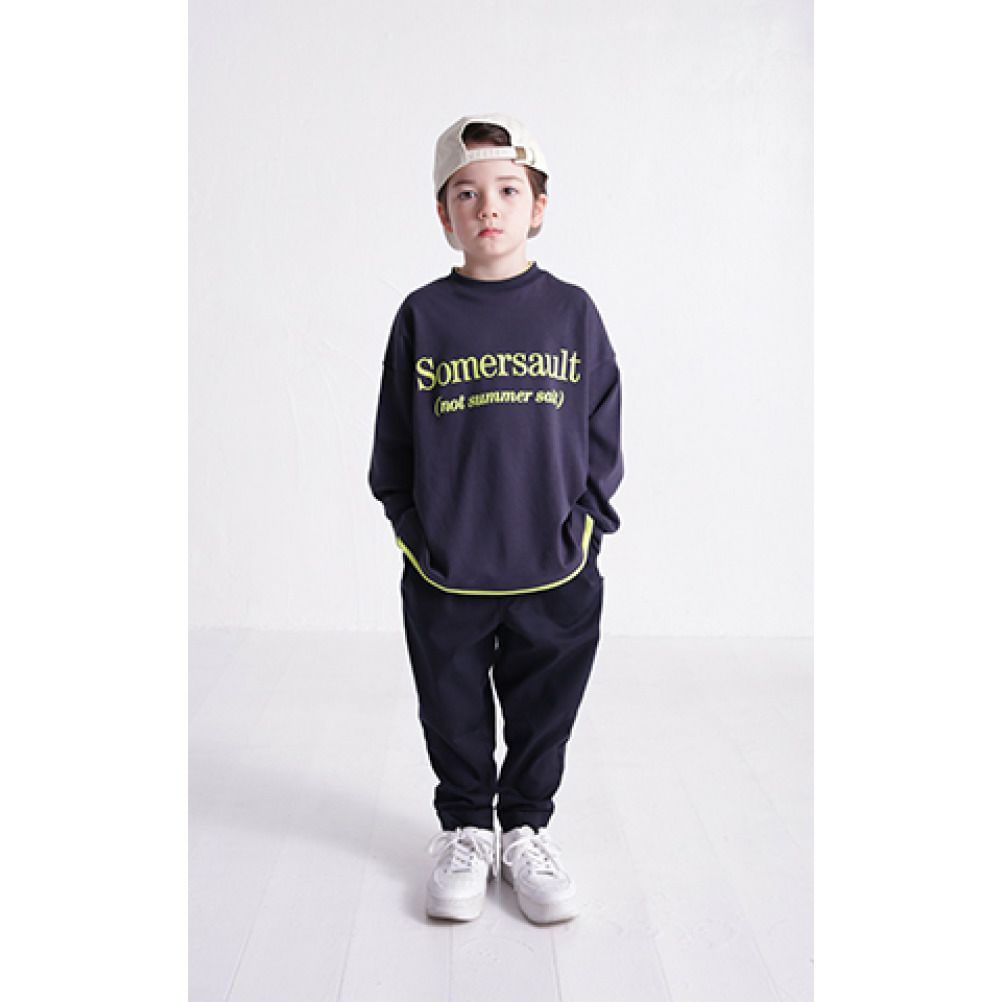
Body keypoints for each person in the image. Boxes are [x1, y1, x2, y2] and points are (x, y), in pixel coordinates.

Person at [368, 113, 624, 924]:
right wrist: (415, 533)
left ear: (537, 206)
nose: (489, 207)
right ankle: (466, 830)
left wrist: (586, 527)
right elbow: (393, 443)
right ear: (443, 214)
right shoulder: (423, 316)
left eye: (509, 191)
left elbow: (603, 431)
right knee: (451, 709)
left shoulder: (572, 313)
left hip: (555, 563)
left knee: (546, 708)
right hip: (447, 567)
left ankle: (525, 830)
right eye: (467, 193)